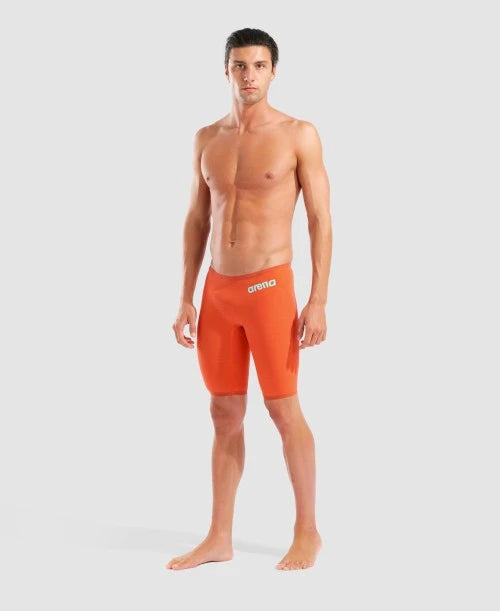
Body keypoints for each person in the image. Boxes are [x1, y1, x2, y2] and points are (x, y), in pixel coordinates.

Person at [168, 27, 332, 571]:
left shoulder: (298, 134)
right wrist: (186, 296)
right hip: (218, 292)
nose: (249, 75)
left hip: (269, 288)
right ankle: (219, 536)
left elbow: (320, 219)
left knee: (283, 409)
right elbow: (197, 219)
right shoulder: (207, 138)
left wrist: (318, 299)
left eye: (259, 66)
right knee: (223, 412)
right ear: (226, 71)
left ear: (273, 71)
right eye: (240, 65)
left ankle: (307, 531)